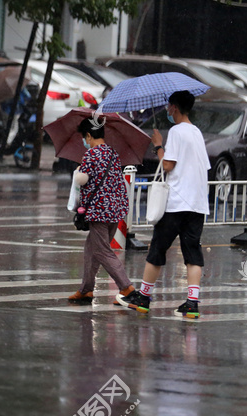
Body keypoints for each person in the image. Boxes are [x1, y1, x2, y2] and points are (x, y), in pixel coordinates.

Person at [117, 90, 209, 319]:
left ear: (175, 107)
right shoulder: (197, 132)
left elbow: (167, 166)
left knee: (157, 249)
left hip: (177, 202)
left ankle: (144, 298)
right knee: (193, 253)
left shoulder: (177, 132)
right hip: (197, 204)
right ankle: (192, 303)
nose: (167, 110)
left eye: (169, 106)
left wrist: (158, 145)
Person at [67, 118, 136, 305]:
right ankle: (86, 290)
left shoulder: (91, 155)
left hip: (99, 212)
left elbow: (82, 180)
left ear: (89, 135)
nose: (84, 141)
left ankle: (127, 287)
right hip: (116, 209)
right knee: (92, 249)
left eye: (84, 137)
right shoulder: (113, 153)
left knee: (103, 251)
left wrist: (78, 171)